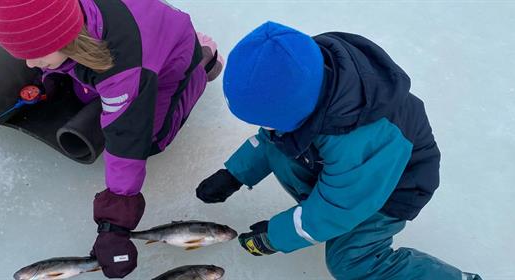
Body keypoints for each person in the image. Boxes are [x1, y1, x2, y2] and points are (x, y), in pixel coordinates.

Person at [196, 21, 479, 279]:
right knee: (278, 149)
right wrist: (234, 174)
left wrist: (275, 237)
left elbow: (339, 206)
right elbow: (271, 138)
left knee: (351, 262)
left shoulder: (360, 138)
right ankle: (313, 217)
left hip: (394, 187)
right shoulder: (307, 79)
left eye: (266, 121)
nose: (265, 129)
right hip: (345, 170)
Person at [0, 0, 222, 277]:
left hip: (171, 57)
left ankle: (205, 61)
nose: (29, 63)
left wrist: (115, 226)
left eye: (36, 53)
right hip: (127, 29)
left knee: (151, 139)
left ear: (66, 36)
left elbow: (127, 136)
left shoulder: (125, 64)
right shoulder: (66, 17)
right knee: (81, 92)